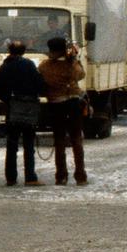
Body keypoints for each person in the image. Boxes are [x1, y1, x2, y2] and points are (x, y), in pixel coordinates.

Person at [0, 39, 46, 187]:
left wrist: (8, 100)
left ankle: (11, 178)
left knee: (12, 144)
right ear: (23, 51)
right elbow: (40, 84)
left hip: (12, 108)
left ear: (9, 51)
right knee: (28, 144)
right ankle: (30, 177)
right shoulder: (28, 65)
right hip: (28, 108)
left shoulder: (3, 67)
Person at [40, 36, 87, 186]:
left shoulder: (45, 66)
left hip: (55, 104)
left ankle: (61, 175)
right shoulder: (70, 64)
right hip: (73, 103)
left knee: (59, 140)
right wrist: (74, 59)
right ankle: (80, 175)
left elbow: (41, 79)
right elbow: (81, 75)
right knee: (76, 140)